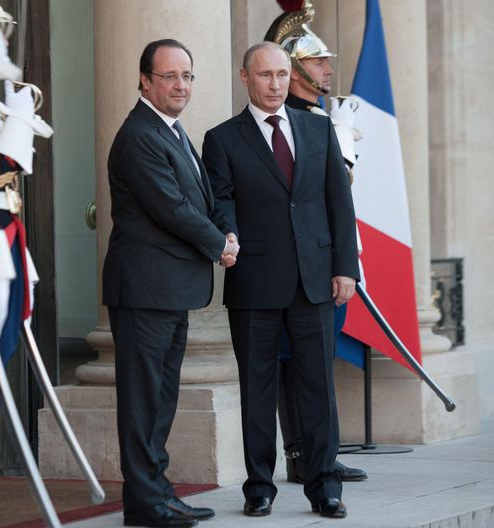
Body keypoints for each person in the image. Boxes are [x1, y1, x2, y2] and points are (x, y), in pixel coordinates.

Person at [201, 42, 359, 519]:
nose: (275, 85)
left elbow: (339, 203)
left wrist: (345, 268)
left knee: (318, 388)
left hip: (315, 280)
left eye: (282, 75)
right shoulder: (221, 139)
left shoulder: (318, 129)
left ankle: (325, 486)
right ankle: (258, 488)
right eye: (265, 75)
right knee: (257, 390)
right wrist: (226, 234)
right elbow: (221, 201)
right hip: (254, 281)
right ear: (245, 77)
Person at [103, 38, 234, 528]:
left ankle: (158, 492)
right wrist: (219, 244)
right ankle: (143, 502)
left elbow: (199, 200)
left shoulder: (171, 131)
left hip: (167, 291)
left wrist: (225, 230)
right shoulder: (139, 135)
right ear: (144, 81)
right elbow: (171, 208)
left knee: (160, 398)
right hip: (144, 290)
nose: (181, 85)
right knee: (143, 401)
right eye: (170, 76)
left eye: (187, 76)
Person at [263, 0, 367, 484]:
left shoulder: (321, 118)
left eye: (326, 62)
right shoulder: (290, 122)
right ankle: (301, 453)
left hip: (326, 259)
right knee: (294, 360)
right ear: (295, 68)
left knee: (319, 361)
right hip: (299, 265)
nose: (327, 69)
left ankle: (321, 452)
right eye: (318, 62)